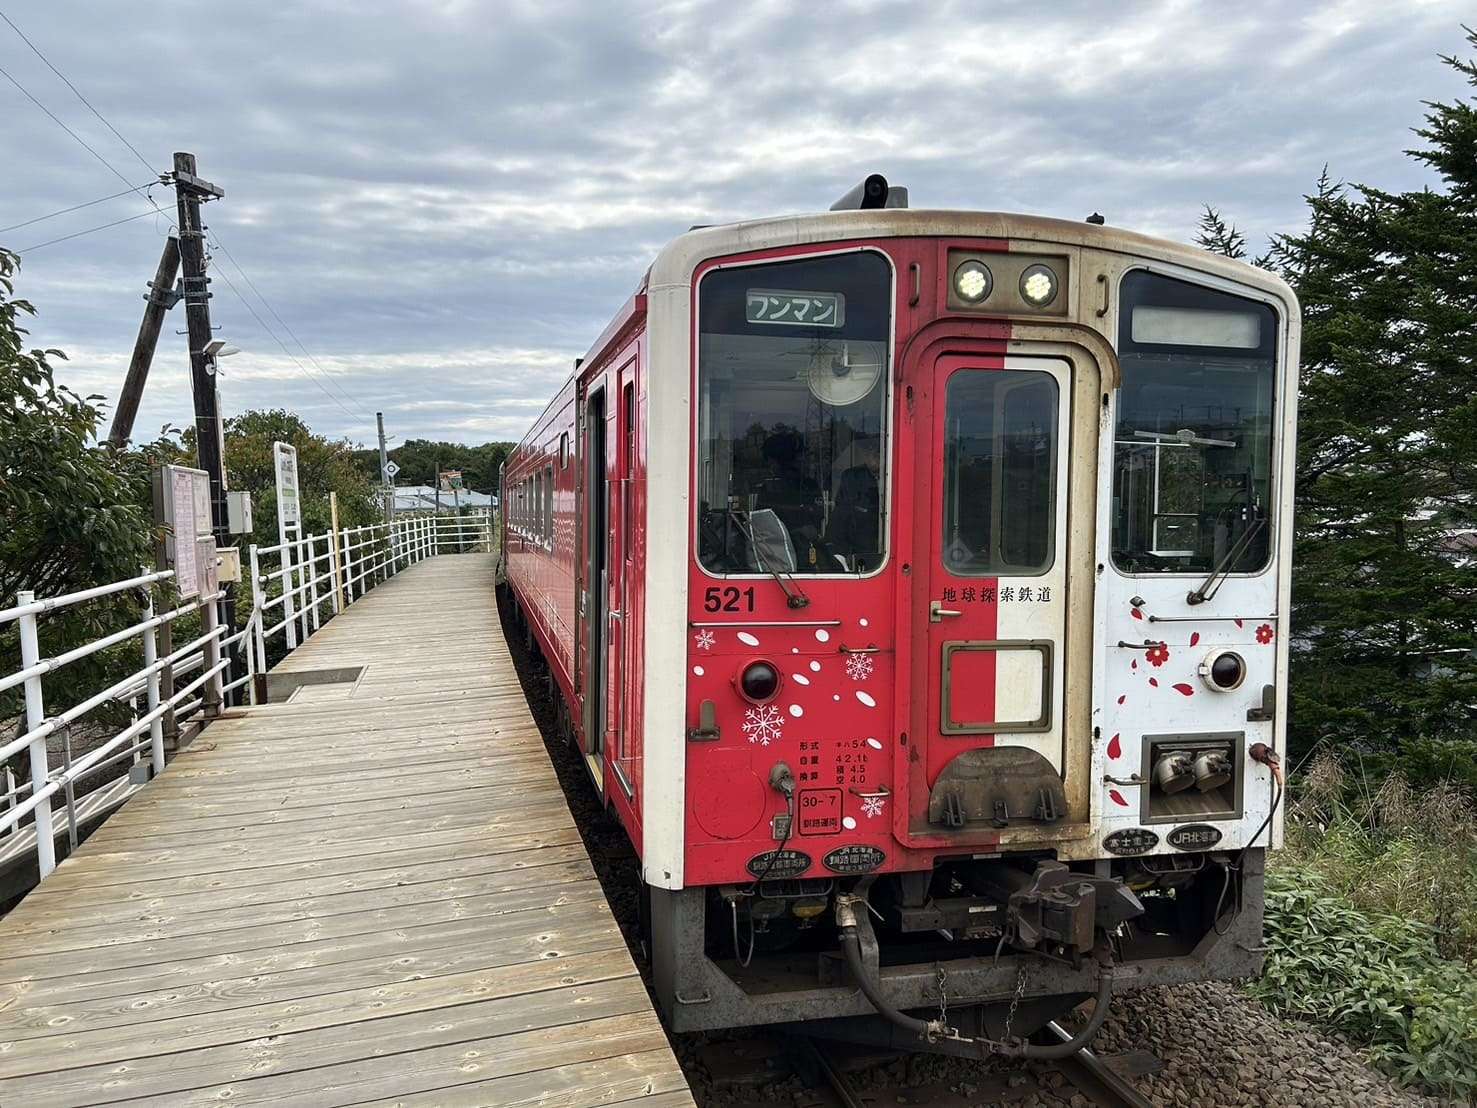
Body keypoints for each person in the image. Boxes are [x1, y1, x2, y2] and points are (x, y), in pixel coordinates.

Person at [826, 435, 882, 567]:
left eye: (877, 451)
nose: (872, 455)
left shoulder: (899, 476)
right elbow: (842, 513)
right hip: (858, 550)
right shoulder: (852, 477)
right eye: (868, 451)